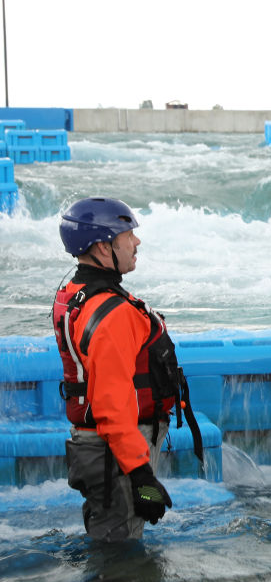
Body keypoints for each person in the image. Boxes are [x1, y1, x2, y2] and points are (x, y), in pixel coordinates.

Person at [53, 197, 202, 541]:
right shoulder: (111, 314)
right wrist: (140, 475)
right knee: (120, 566)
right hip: (115, 456)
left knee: (111, 545)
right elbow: (113, 405)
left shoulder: (73, 293)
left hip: (102, 450)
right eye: (128, 234)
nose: (136, 242)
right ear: (103, 248)